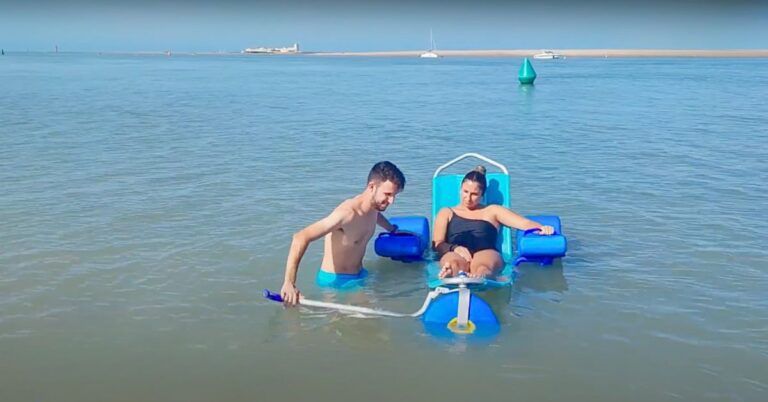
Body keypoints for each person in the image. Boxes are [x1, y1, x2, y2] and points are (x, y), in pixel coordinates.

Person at [280, 161, 406, 305]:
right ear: (372, 187)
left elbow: (376, 216)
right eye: (388, 194)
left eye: (394, 195)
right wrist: (289, 283)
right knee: (371, 315)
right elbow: (300, 237)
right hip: (336, 283)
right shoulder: (346, 214)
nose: (391, 201)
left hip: (360, 274)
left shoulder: (374, 207)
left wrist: (392, 229)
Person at [432, 165, 555, 279]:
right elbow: (437, 244)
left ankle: (480, 276)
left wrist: (542, 228)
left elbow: (523, 223)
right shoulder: (446, 212)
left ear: (482, 195)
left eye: (474, 194)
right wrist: (455, 248)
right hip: (455, 252)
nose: (468, 198)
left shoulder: (492, 211)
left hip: (486, 252)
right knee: (453, 262)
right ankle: (450, 272)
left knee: (483, 268)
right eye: (465, 192)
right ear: (460, 190)